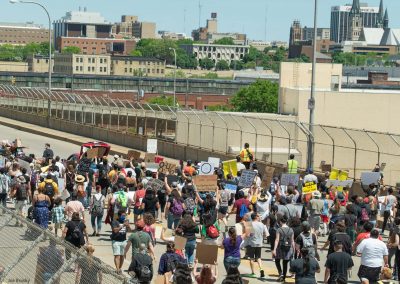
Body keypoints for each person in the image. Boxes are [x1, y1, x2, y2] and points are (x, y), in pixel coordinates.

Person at [244, 212, 267, 278]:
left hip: (252, 243)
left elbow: (248, 235)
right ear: (256, 217)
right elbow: (265, 234)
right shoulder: (262, 224)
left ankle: (253, 272)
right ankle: (261, 269)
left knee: (251, 258)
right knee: (258, 257)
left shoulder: (249, 224)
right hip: (259, 243)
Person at [273, 216, 294, 282]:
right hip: (288, 248)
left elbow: (277, 240)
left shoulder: (279, 229)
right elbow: (292, 240)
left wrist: (274, 249)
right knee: (285, 263)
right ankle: (284, 277)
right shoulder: (291, 229)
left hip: (280, 247)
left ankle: (280, 273)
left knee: (277, 260)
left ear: (280, 222)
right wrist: (293, 249)